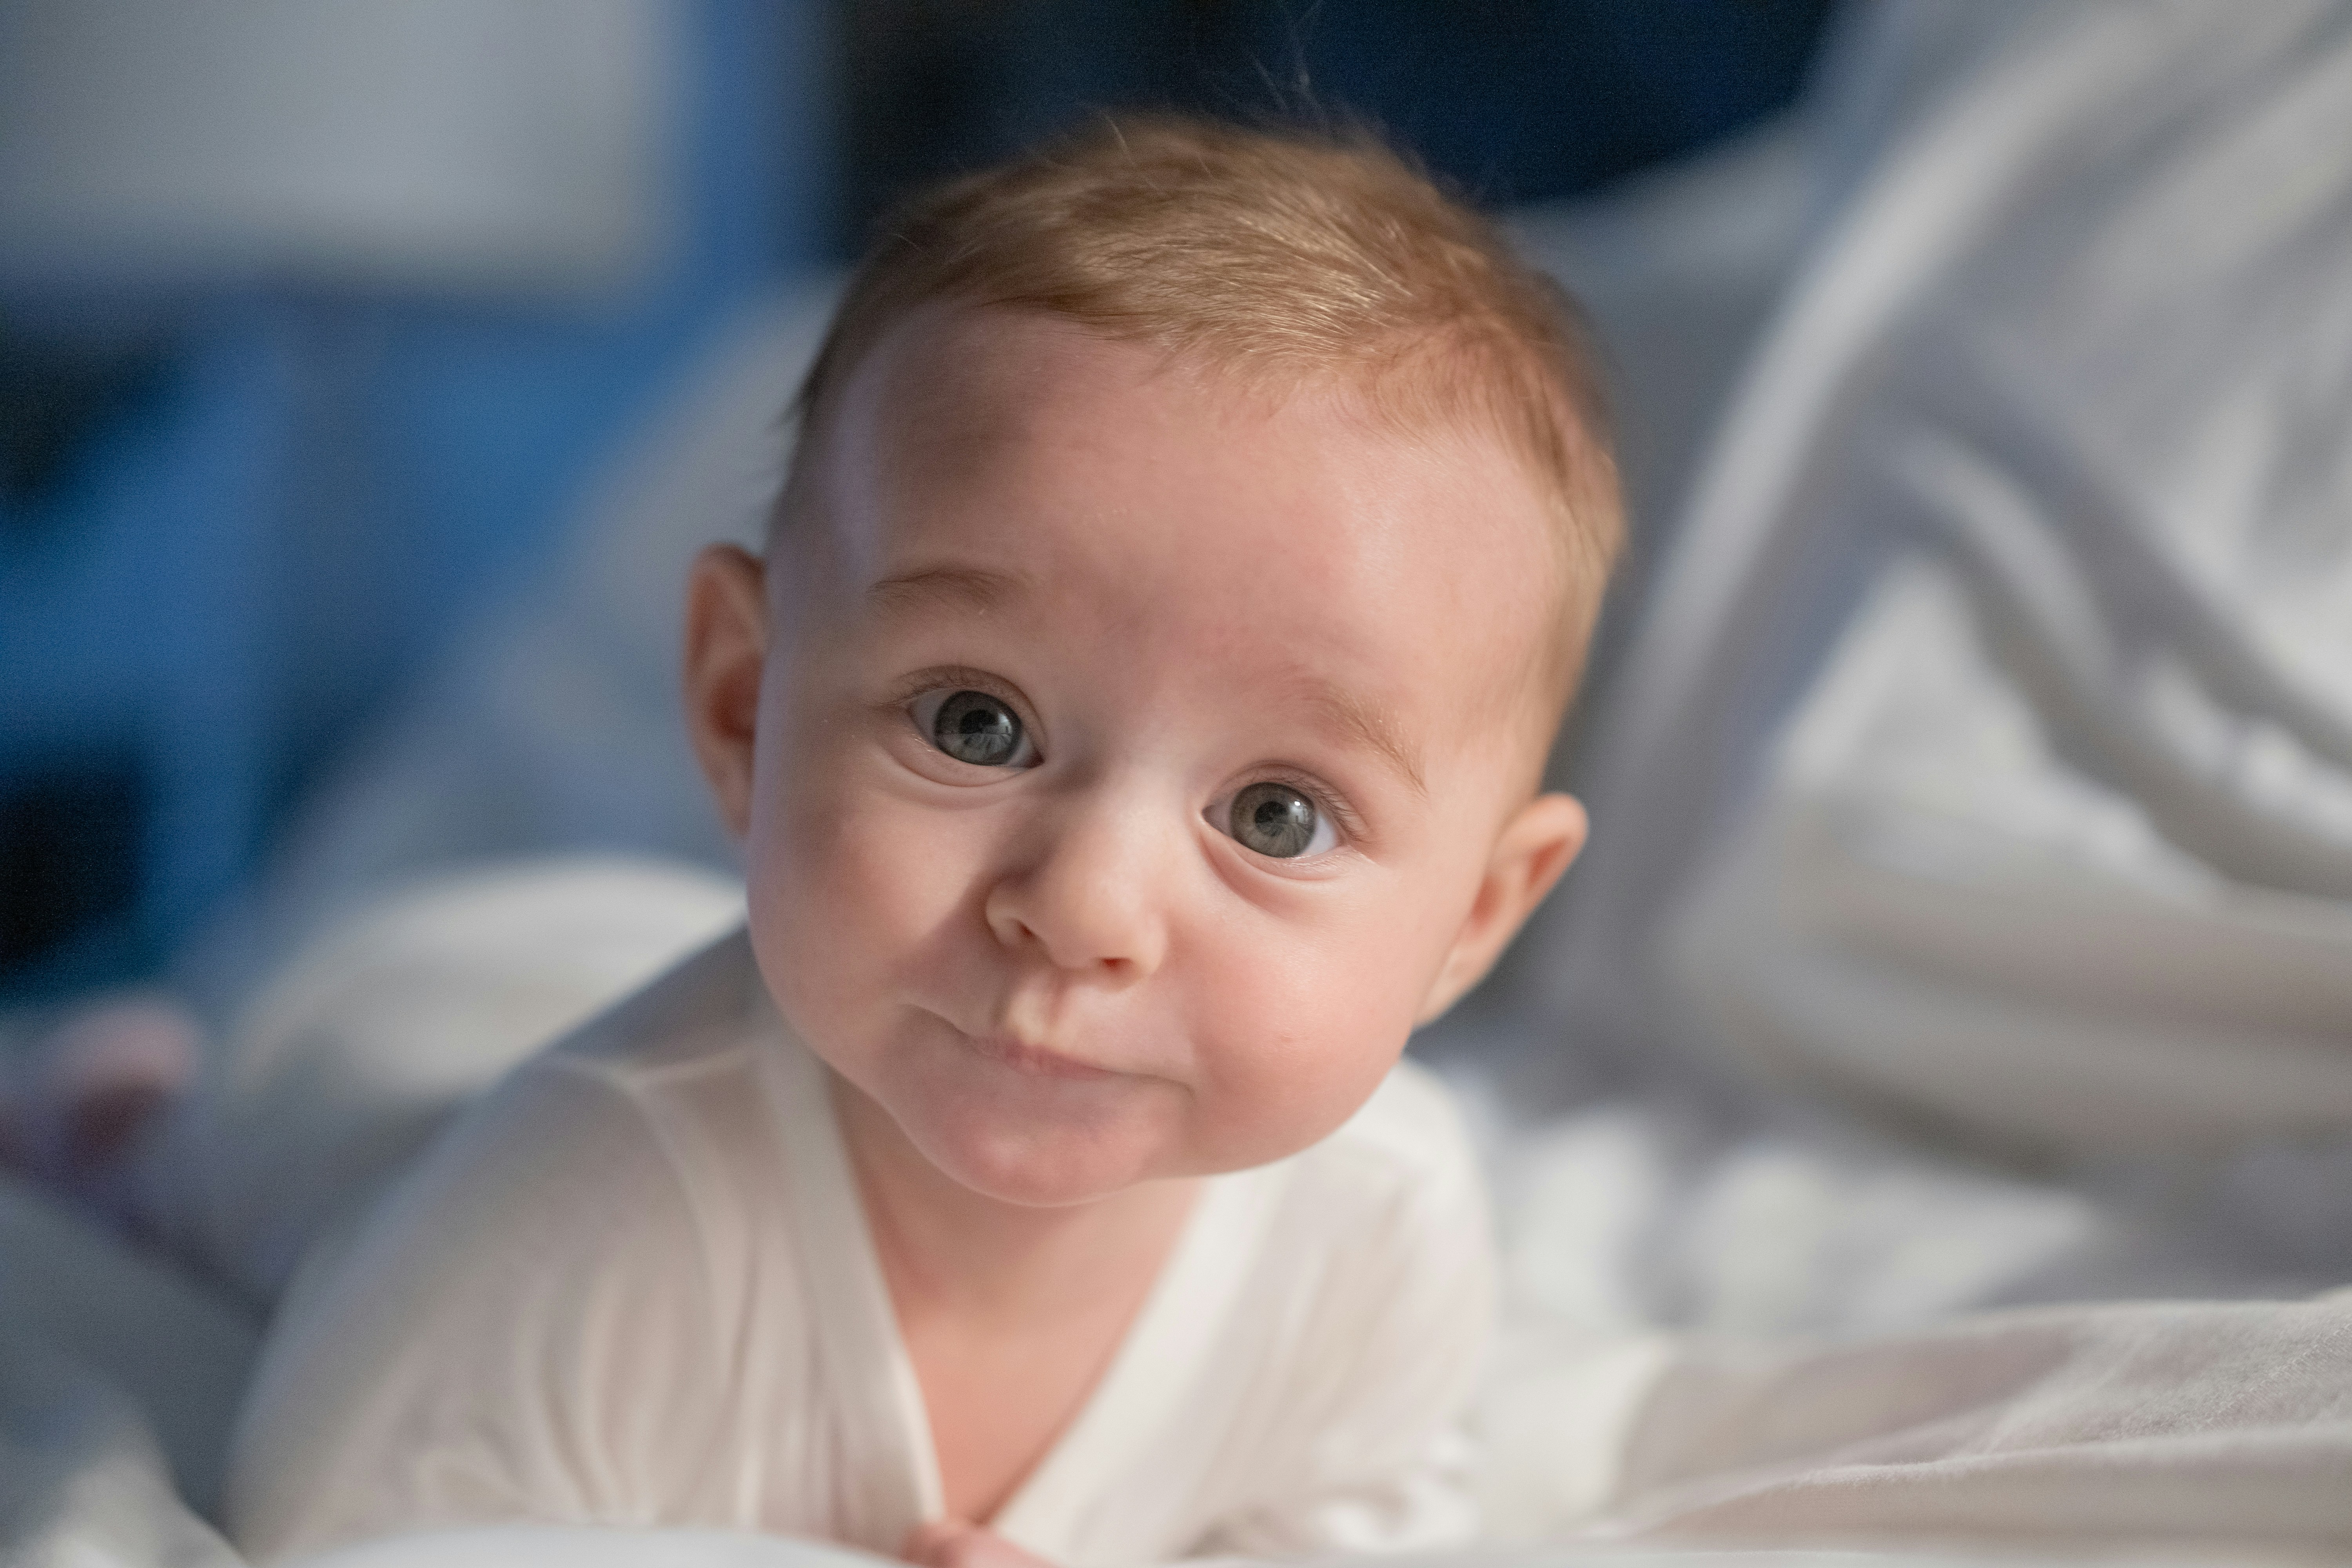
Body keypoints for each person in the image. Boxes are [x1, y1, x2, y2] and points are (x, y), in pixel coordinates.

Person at [207, 115, 1623, 1564]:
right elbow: (341, 1530)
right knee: (271, 1144)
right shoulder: (577, 1214)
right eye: (975, 725)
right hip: (427, 1005)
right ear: (745, 705)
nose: (1085, 907)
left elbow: (1344, 1533)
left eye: (1278, 817)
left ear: (1474, 917)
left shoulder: (1378, 1233)